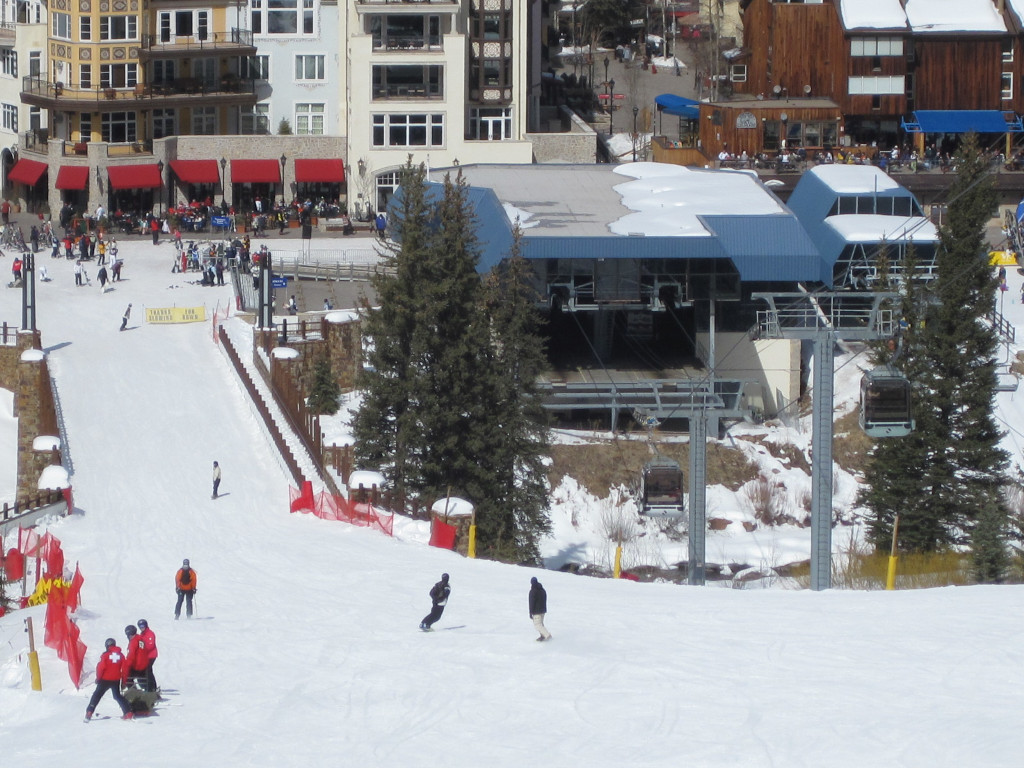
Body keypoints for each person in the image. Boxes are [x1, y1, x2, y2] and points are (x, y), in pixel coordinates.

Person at [84, 638, 133, 721]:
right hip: (116, 680)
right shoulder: (121, 655)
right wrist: (124, 681)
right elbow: (125, 669)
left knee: (97, 695)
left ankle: (89, 712)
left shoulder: (105, 655)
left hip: (104, 680)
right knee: (117, 696)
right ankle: (128, 713)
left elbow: (100, 668)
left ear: (107, 645)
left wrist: (98, 678)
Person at [136, 618, 158, 692]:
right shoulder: (142, 634)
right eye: (140, 626)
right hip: (145, 656)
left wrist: (142, 650)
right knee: (148, 671)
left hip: (151, 655)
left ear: (146, 625)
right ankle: (151, 687)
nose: (141, 628)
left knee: (147, 671)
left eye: (143, 626)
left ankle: (151, 687)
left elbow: (151, 645)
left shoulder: (150, 633)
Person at [123, 625, 148, 689]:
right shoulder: (141, 639)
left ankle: (134, 693)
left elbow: (131, 656)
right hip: (144, 665)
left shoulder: (133, 642)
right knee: (142, 680)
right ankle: (149, 691)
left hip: (137, 666)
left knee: (128, 679)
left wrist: (127, 666)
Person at [528, 576, 552, 641]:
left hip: (536, 611)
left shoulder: (533, 591)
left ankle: (547, 635)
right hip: (543, 610)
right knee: (541, 623)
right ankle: (542, 636)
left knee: (537, 625)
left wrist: (530, 613)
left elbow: (531, 602)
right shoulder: (542, 590)